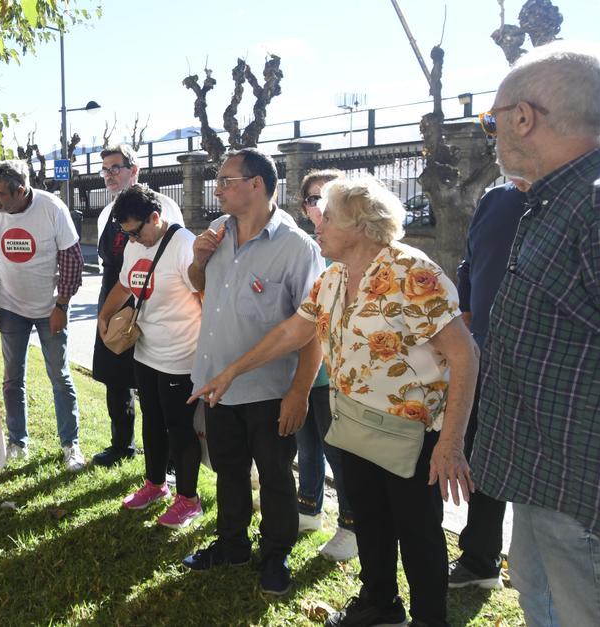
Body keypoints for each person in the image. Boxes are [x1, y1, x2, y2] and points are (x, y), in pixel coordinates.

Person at [193, 175, 479, 627]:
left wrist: (452, 442)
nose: (317, 226)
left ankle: (430, 619)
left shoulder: (412, 272)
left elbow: (466, 354)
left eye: (327, 218)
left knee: (418, 532)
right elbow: (293, 332)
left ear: (362, 225)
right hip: (355, 424)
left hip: (413, 434)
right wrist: (230, 372)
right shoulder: (334, 276)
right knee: (369, 520)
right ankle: (380, 604)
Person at [470, 46, 600, 627]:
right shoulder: (554, 199)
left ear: (524, 117)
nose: (493, 132)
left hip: (586, 502)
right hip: (543, 483)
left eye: (492, 119)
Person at [181, 148, 325, 596]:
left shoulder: (298, 247)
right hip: (216, 382)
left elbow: (314, 327)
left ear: (257, 184)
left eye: (226, 180)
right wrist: (199, 261)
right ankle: (232, 543)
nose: (217, 189)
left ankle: (275, 554)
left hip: (268, 390)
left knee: (277, 477)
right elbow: (199, 286)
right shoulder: (219, 232)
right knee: (227, 470)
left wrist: (300, 392)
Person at [97, 184, 202, 527]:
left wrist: (209, 353)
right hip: (145, 352)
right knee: (152, 422)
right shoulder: (133, 244)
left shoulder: (183, 245)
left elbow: (205, 296)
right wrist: (104, 313)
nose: (131, 239)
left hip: (181, 356)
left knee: (179, 428)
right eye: (125, 232)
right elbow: (126, 284)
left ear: (155, 218)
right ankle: (155, 484)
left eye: (135, 231)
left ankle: (188, 499)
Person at [0, 160, 86, 471]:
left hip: (49, 308)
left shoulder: (52, 208)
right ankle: (17, 443)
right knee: (12, 379)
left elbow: (72, 261)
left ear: (21, 191)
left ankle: (70, 444)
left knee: (59, 377)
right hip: (11, 307)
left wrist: (61, 306)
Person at [448, 181, 525, 590]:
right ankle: (480, 561)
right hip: (484, 355)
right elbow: (469, 261)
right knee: (483, 459)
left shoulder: (589, 194)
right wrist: (467, 307)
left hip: (544, 367)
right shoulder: (496, 198)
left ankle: (533, 569)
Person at [91, 144, 184, 468]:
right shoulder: (107, 212)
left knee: (154, 385)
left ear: (135, 168)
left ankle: (168, 457)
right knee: (114, 380)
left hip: (149, 300)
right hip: (114, 294)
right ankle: (122, 444)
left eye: (115, 167)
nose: (109, 175)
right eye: (105, 170)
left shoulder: (164, 206)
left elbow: (172, 258)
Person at [294, 170, 357, 562]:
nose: (319, 207)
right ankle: (308, 508)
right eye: (313, 199)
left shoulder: (351, 250)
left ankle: (351, 527)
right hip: (306, 367)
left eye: (328, 198)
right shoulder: (307, 248)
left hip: (339, 375)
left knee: (339, 451)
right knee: (307, 442)